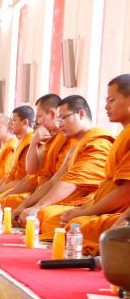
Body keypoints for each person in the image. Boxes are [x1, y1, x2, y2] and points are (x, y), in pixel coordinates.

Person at [41, 75, 130, 253]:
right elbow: (46, 177)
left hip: (118, 211)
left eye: (112, 100)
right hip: (99, 204)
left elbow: (126, 190)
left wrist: (84, 212)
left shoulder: (99, 141)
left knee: (76, 225)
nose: (106, 106)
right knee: (59, 220)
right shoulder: (121, 135)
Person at [9, 96, 113, 232]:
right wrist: (26, 204)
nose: (60, 124)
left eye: (63, 118)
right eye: (58, 120)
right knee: (34, 213)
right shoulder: (75, 146)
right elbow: (53, 181)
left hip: (88, 203)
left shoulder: (98, 142)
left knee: (43, 216)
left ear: (81, 114)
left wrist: (37, 207)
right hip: (67, 200)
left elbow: (70, 183)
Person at [0, 94, 71, 210]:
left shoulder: (67, 140)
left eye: (39, 117)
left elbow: (60, 181)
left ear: (53, 114)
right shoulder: (49, 140)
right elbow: (32, 172)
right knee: (5, 201)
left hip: (57, 198)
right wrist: (34, 143)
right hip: (41, 191)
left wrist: (36, 205)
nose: (38, 122)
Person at [0, 106, 35, 200]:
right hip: (8, 187)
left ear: (25, 122)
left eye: (14, 120)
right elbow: (6, 176)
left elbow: (21, 181)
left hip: (22, 191)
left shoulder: (29, 143)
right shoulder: (21, 142)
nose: (10, 124)